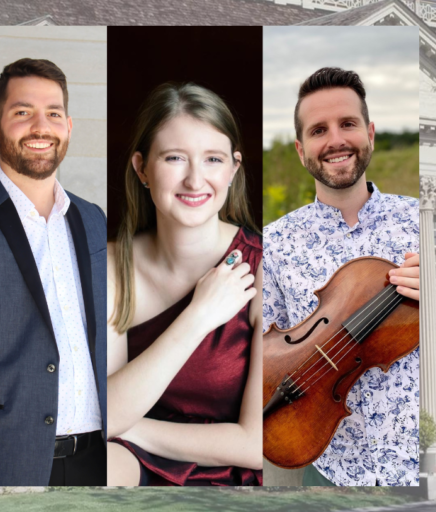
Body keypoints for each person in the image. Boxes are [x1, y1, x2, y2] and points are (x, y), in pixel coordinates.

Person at [0, 58, 107, 486]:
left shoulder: (94, 220)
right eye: (23, 112)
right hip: (10, 466)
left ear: (69, 126)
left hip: (100, 463)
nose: (41, 127)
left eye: (53, 114)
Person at [263, 68, 420, 486]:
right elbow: (257, 353)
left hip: (421, 462)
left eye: (347, 124)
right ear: (301, 149)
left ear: (369, 132)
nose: (335, 140)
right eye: (319, 130)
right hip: (328, 466)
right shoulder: (273, 243)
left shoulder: (425, 221)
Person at [107, 83, 263, 486]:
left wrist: (130, 428)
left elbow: (257, 444)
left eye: (213, 159)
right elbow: (102, 413)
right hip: (133, 461)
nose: (195, 180)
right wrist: (199, 316)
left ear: (233, 168)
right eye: (175, 158)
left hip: (231, 472)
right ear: (142, 168)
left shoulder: (267, 268)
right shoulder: (109, 265)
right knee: (100, 465)